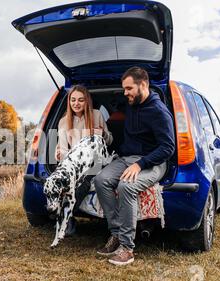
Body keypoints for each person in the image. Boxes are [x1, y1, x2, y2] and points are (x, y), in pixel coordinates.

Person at [94, 67, 175, 266]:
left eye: (129, 88)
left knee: (126, 187)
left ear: (143, 85)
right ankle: (116, 235)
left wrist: (141, 164)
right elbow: (106, 109)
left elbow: (168, 147)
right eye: (124, 89)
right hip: (126, 158)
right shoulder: (131, 102)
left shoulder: (159, 112)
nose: (125, 93)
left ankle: (127, 248)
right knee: (101, 180)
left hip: (153, 162)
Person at [56, 85, 113, 236]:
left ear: (87, 101)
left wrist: (102, 135)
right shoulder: (63, 122)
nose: (76, 103)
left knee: (84, 180)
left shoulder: (96, 115)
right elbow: (62, 149)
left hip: (95, 162)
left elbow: (109, 140)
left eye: (81, 100)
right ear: (69, 102)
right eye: (73, 100)